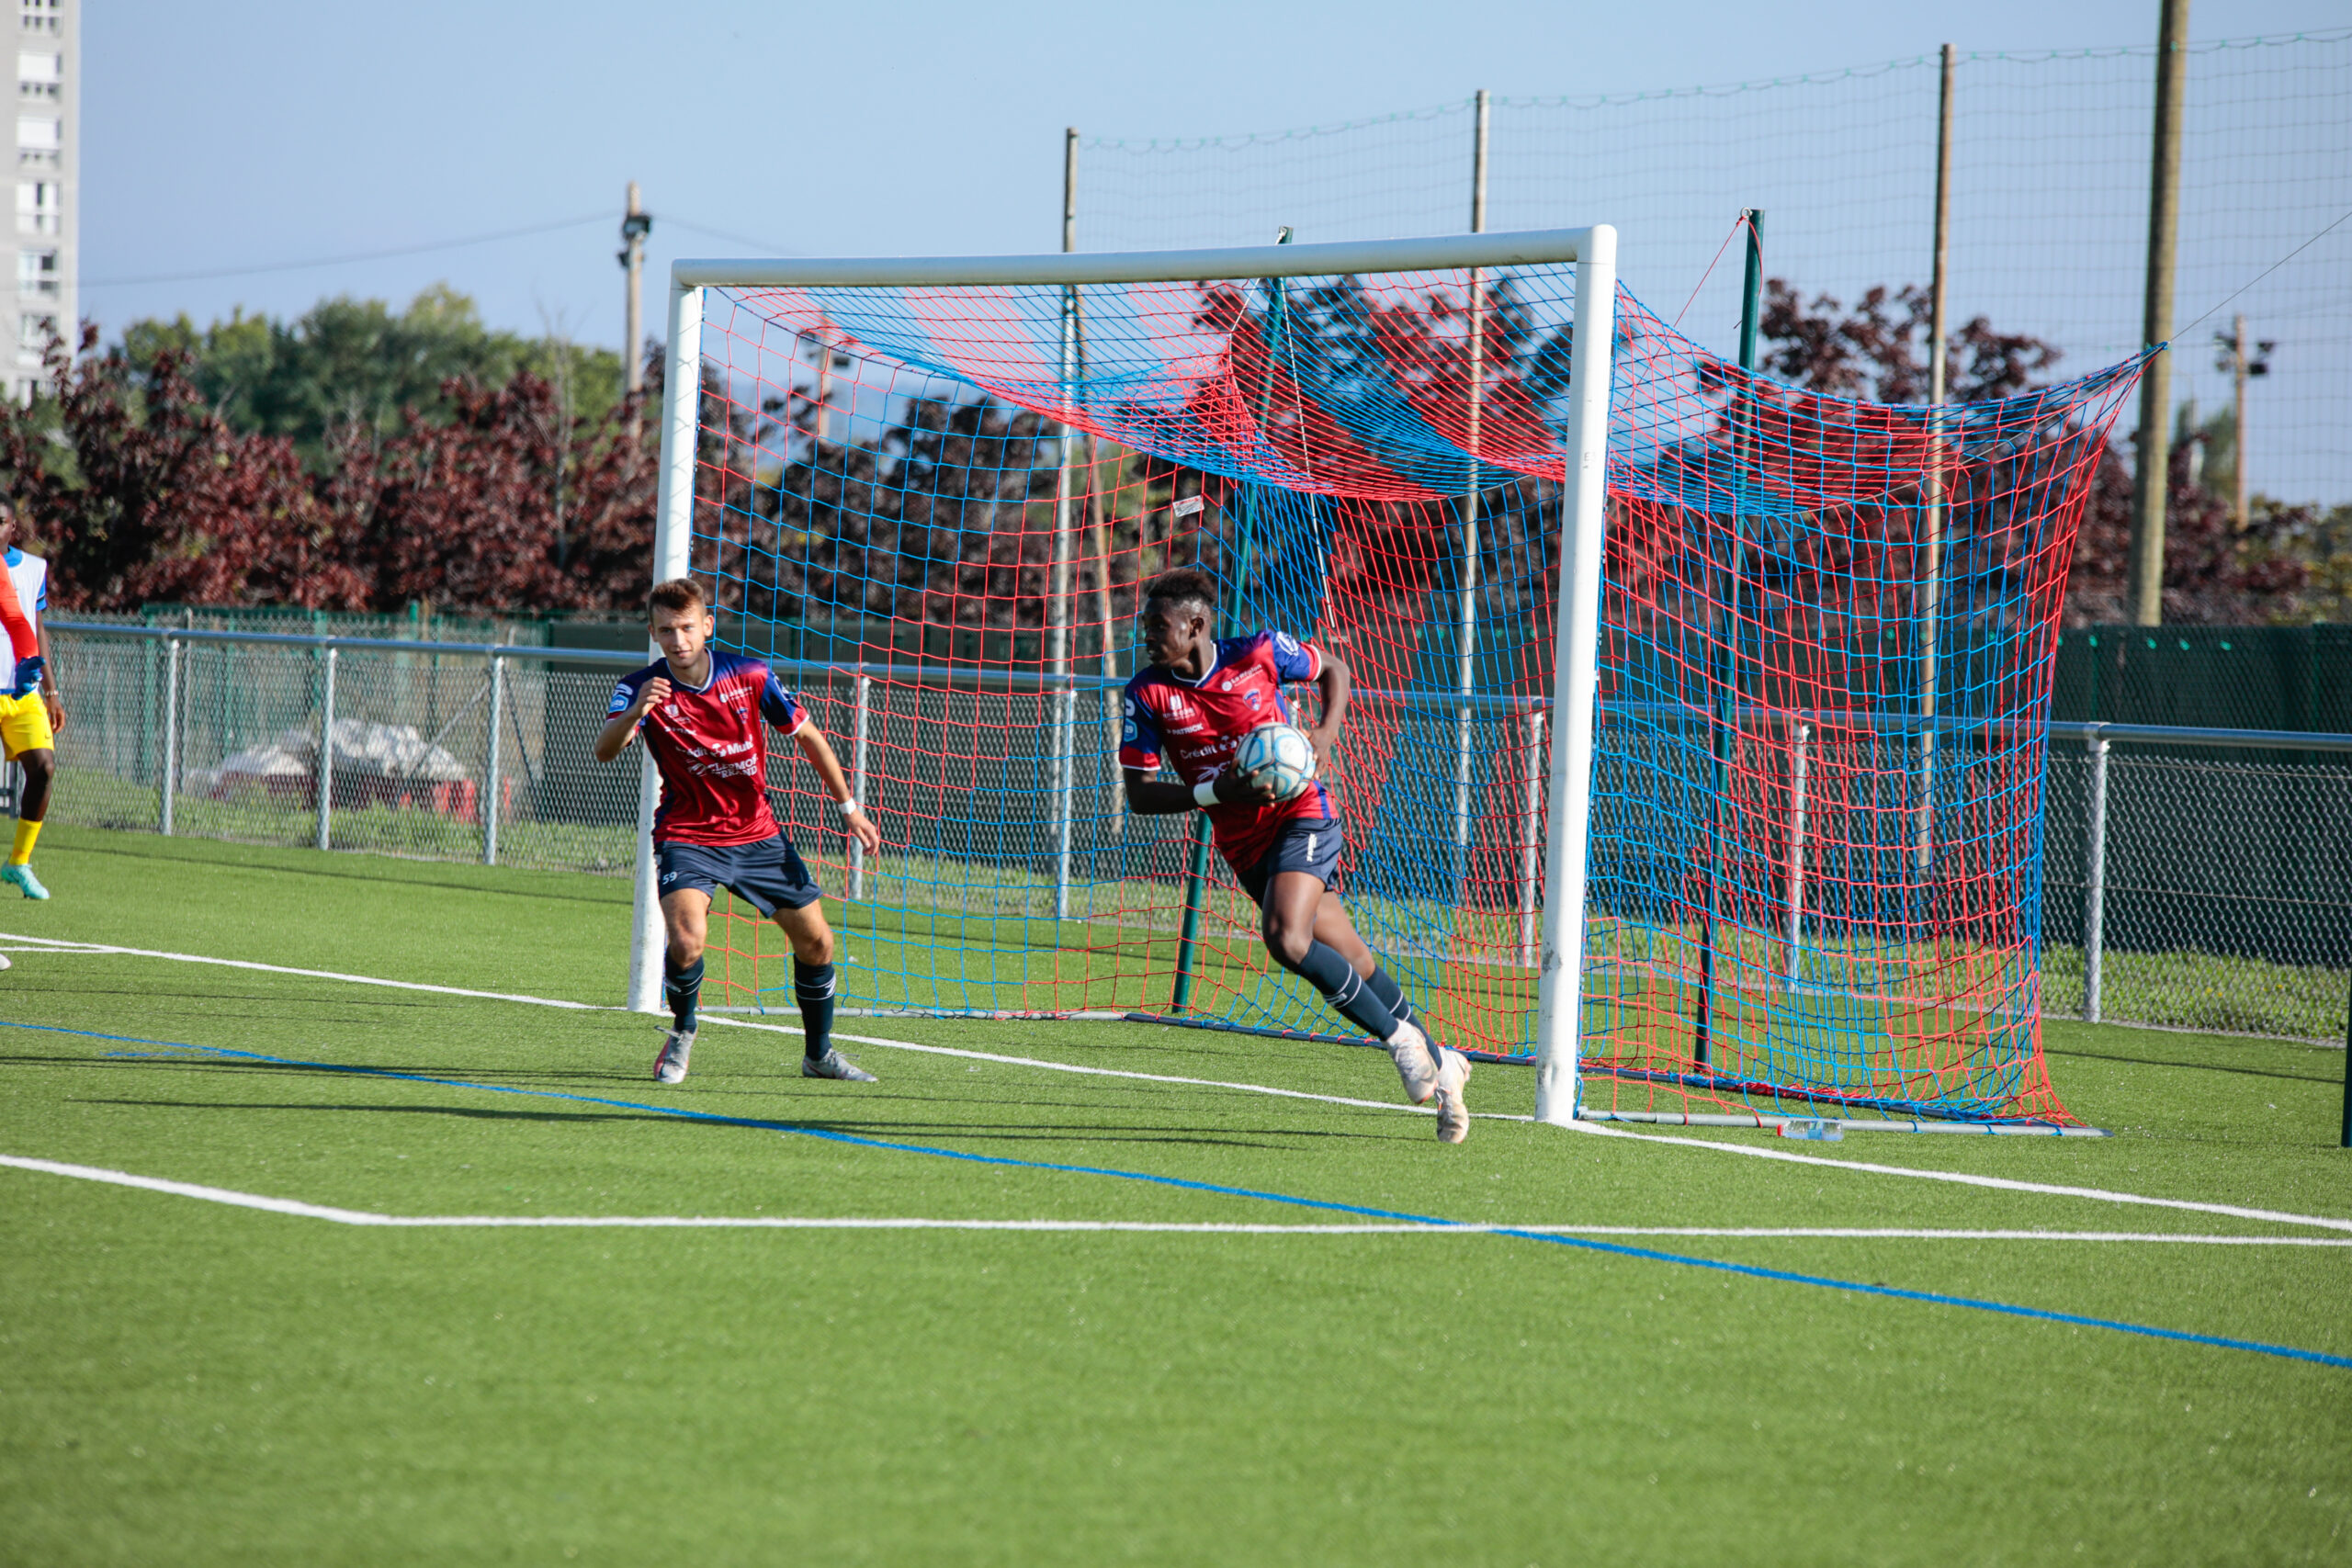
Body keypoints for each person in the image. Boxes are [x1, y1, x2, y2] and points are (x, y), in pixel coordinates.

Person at [1118, 567, 1473, 1143]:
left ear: (1198, 625)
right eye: (1146, 624)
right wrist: (1218, 792)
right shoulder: (1147, 693)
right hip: (1244, 844)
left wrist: (1326, 736)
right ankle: (1446, 1062)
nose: (1147, 635)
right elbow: (1139, 795)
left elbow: (1334, 668)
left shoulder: (1257, 652)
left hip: (1301, 814)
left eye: (1160, 625)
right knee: (1352, 957)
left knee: (1286, 937)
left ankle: (1400, 1041)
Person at [595, 576, 883, 1086]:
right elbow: (605, 750)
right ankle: (683, 1033)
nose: (678, 640)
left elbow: (810, 737)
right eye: (666, 631)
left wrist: (849, 807)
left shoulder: (749, 675)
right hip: (688, 835)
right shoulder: (639, 687)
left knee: (818, 943)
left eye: (687, 627)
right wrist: (638, 709)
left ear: (707, 626)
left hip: (758, 836)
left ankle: (818, 1055)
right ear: (654, 633)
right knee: (687, 941)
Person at [0, 504, 54, 900]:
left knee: (44, 767)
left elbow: (20, 620)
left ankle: (18, 861)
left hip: (17, 695)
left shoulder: (14, 570)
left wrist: (29, 664)